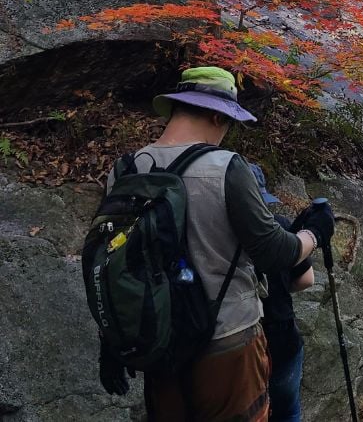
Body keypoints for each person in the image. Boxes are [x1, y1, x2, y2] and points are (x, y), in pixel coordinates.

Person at [99, 67, 333, 422]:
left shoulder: (126, 168)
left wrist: (111, 339)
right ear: (216, 114)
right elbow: (272, 252)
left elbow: (113, 258)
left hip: (156, 337)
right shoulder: (226, 166)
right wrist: (313, 234)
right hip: (226, 339)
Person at [249, 163, 315, 422]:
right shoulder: (280, 226)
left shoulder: (216, 234)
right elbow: (307, 279)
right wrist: (277, 286)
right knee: (287, 411)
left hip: (234, 343)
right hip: (281, 334)